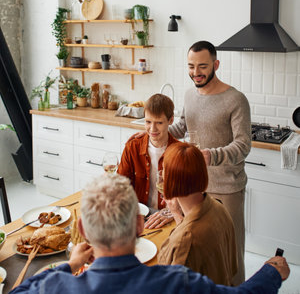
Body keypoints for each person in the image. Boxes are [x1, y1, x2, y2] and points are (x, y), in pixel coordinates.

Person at [11, 173, 289, 294]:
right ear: (141, 224)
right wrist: (271, 272)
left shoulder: (56, 287)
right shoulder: (177, 283)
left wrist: (69, 266)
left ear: (83, 230)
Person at [169, 41, 251, 285]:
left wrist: (210, 156)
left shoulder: (235, 99)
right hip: (195, 187)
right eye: (191, 66)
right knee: (199, 250)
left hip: (227, 189)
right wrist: (159, 131)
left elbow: (243, 144)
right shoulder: (189, 95)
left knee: (230, 252)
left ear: (216, 64)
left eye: (202, 66)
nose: (196, 73)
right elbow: (183, 126)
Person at [158, 142, 238, 286]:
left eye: (163, 169)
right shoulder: (218, 207)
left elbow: (171, 285)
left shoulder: (185, 241)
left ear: (171, 179)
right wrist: (176, 213)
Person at [118, 93, 180, 224]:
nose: (152, 129)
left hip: (168, 217)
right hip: (137, 215)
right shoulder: (133, 146)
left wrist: (172, 213)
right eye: (148, 122)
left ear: (171, 120)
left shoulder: (180, 153)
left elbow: (188, 196)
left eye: (159, 122)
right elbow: (119, 185)